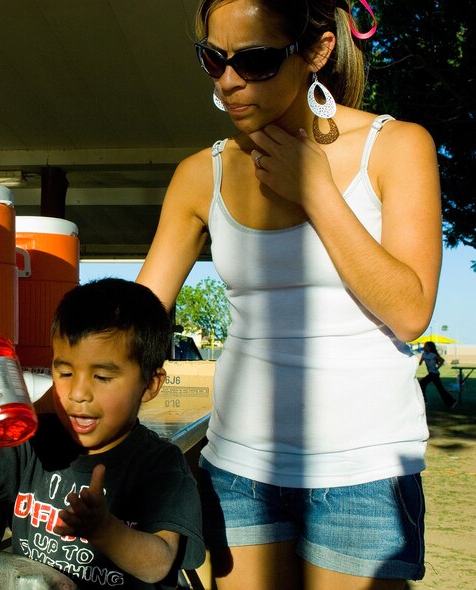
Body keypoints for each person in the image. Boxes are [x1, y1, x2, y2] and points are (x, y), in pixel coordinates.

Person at [136, 1, 441, 588]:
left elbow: (410, 310)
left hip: (364, 471)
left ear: (317, 52)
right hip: (238, 467)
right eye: (213, 59)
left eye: (253, 61)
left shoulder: (397, 146)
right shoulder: (202, 173)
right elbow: (136, 318)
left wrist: (318, 192)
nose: (229, 82)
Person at [0, 278, 205, 589]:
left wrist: (106, 531)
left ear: (150, 385)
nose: (78, 393)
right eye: (65, 372)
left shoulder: (159, 464)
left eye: (101, 376)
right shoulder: (35, 441)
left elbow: (159, 563)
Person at [419, 341, 456, 409]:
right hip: (431, 373)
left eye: (425, 346)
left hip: (434, 374)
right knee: (438, 388)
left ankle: (451, 402)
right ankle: (452, 401)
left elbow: (442, 360)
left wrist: (437, 367)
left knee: (422, 383)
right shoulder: (424, 354)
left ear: (429, 348)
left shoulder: (433, 355)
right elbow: (420, 363)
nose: (424, 347)